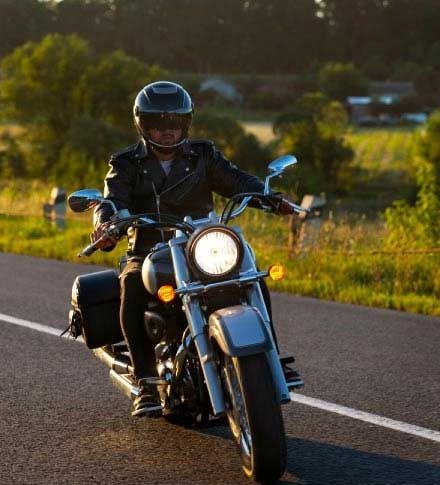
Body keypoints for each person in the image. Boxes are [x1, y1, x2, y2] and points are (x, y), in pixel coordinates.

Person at [92, 81, 293, 417]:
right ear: (143, 124)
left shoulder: (203, 155)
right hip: (150, 248)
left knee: (250, 272)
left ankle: (268, 357)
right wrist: (106, 224)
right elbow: (112, 199)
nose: (167, 133)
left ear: (185, 123)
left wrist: (271, 199)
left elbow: (236, 181)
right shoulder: (127, 162)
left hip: (199, 243)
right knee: (130, 284)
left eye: (174, 125)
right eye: (158, 125)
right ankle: (145, 381)